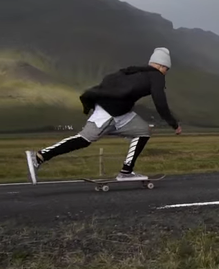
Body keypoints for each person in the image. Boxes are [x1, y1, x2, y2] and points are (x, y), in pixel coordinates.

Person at [24, 47, 182, 184]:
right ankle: (40, 156)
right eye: (166, 69)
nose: (165, 73)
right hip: (108, 111)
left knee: (143, 130)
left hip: (121, 113)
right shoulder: (156, 76)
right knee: (84, 139)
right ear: (162, 66)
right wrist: (174, 124)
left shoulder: (134, 70)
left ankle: (126, 172)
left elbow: (109, 81)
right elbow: (160, 103)